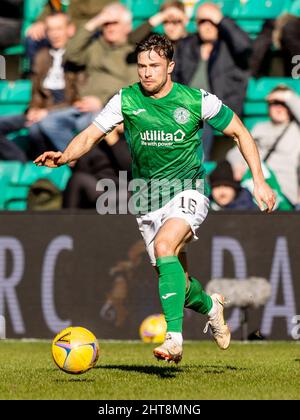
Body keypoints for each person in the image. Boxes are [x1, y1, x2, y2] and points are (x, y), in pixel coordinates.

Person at [34, 34, 275, 363]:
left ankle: (174, 339)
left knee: (165, 247)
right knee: (180, 282)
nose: (146, 72)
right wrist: (64, 157)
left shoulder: (196, 100)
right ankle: (212, 307)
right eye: (142, 66)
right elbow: (91, 134)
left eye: (154, 66)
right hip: (147, 198)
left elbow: (239, 132)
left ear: (170, 66)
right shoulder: (125, 100)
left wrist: (259, 181)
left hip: (188, 190)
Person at [36, 2, 137, 151]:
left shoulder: (132, 54)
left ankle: (80, 159)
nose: (109, 27)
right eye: (106, 23)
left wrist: (101, 102)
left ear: (128, 26)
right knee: (48, 122)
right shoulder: (95, 46)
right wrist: (97, 21)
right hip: (80, 107)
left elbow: (132, 87)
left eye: (114, 23)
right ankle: (73, 157)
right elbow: (70, 53)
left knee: (91, 124)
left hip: (106, 109)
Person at [173, 2, 252, 159]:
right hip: (185, 107)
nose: (208, 26)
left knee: (202, 118)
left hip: (218, 107)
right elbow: (173, 76)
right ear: (196, 25)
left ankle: (195, 170)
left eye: (213, 21)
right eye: (203, 21)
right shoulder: (187, 45)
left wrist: (221, 19)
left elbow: (246, 47)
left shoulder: (229, 46)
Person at [0, 12, 78, 162]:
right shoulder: (41, 56)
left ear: (70, 30)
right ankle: (20, 162)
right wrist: (33, 109)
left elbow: (77, 98)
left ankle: (51, 162)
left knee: (36, 129)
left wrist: (46, 112)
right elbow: (36, 90)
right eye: (50, 29)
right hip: (40, 111)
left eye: (59, 29)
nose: (55, 34)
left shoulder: (77, 57)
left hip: (62, 111)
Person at [227, 85, 300, 208]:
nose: (279, 107)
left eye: (284, 104)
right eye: (274, 103)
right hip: (256, 188)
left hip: (284, 194)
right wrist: (237, 164)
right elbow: (234, 152)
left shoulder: (296, 129)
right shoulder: (259, 127)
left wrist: (287, 96)